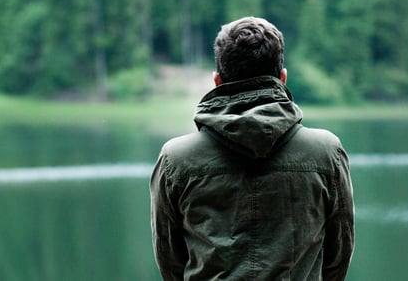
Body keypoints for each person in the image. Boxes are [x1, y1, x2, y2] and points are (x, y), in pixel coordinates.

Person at [150, 16, 354, 280]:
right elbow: (338, 256)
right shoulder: (326, 152)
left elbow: (171, 262)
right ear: (282, 78)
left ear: (217, 81)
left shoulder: (176, 159)